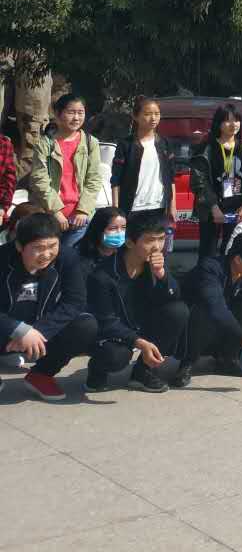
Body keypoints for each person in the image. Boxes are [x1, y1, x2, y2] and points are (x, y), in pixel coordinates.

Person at [0, 211, 97, 400]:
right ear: (19, 246)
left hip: (40, 331)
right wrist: (18, 330)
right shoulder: (2, 260)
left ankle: (41, 375)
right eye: (38, 248)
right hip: (5, 330)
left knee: (86, 325)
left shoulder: (67, 258)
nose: (46, 254)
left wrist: (37, 331)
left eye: (53, 246)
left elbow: (74, 301)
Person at [87, 216, 190, 393]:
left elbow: (174, 295)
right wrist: (140, 342)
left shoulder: (154, 264)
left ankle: (142, 372)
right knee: (117, 356)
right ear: (129, 242)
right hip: (111, 333)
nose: (157, 246)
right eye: (149, 240)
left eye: (161, 239)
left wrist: (162, 274)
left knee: (178, 311)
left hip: (141, 323)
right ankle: (97, 370)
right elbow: (105, 321)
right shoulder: (103, 275)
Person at [180, 229, 242, 381]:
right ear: (238, 259)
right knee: (206, 308)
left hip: (221, 331)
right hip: (190, 332)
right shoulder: (210, 268)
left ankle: (228, 359)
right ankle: (187, 362)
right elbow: (217, 309)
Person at [27, 93, 105, 250]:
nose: (76, 118)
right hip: (49, 216)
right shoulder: (45, 144)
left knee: (71, 259)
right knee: (48, 257)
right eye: (71, 112)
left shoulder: (91, 143)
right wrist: (56, 211)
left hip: (80, 220)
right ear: (57, 113)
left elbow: (94, 179)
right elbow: (39, 180)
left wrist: (83, 211)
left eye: (80, 112)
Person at [188, 102, 242, 260]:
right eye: (228, 120)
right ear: (218, 123)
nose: (233, 124)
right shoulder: (207, 148)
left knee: (232, 250)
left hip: (237, 208)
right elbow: (199, 181)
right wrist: (213, 207)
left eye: (236, 120)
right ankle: (206, 276)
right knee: (208, 252)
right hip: (211, 209)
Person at [108, 96, 176, 235]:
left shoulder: (164, 143)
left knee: (155, 245)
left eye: (157, 114)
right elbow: (116, 179)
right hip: (132, 208)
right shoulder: (126, 145)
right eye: (147, 114)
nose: (153, 118)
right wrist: (116, 209)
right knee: (131, 245)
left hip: (159, 207)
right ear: (136, 116)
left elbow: (171, 177)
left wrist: (172, 205)